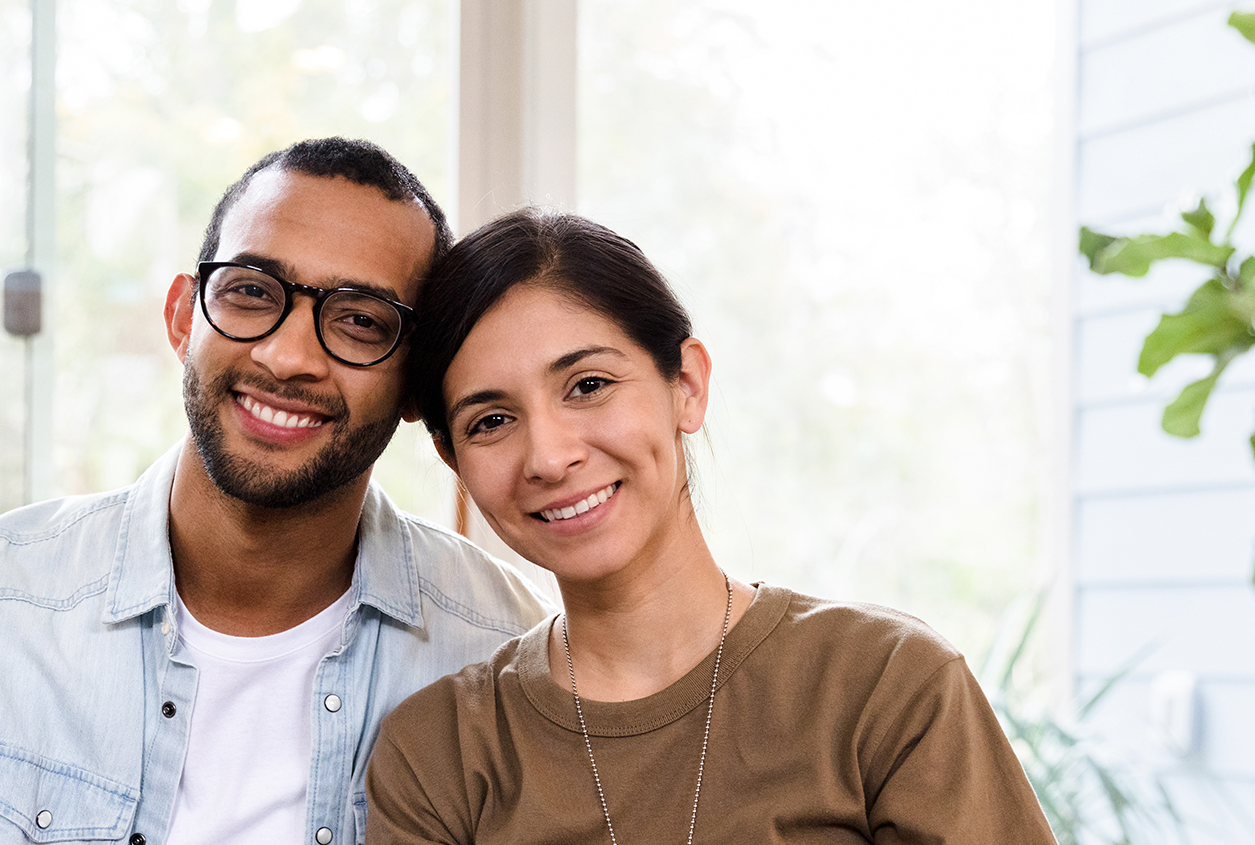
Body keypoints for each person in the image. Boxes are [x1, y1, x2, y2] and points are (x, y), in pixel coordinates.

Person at [0, 138, 552, 845]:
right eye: (251, 292)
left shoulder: (500, 654)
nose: (287, 355)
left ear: (417, 384)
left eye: (359, 320)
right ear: (180, 317)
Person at [365, 209, 1057, 844]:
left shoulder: (884, 684)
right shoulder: (440, 755)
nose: (549, 456)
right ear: (453, 460)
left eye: (588, 385)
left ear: (686, 386)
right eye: (490, 421)